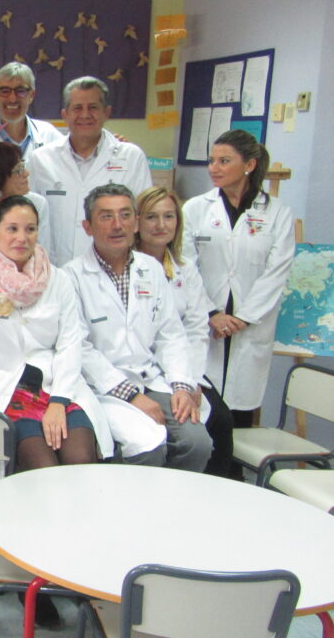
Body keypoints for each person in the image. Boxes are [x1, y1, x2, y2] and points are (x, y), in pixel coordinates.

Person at [0, 197, 107, 472]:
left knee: (81, 462)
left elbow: (70, 343)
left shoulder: (58, 279)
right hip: (5, 390)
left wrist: (59, 401)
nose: (21, 238)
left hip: (58, 387)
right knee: (42, 469)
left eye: (30, 229)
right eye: (12, 229)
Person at [64, 184, 211, 471]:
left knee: (197, 443)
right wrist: (132, 396)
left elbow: (171, 334)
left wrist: (181, 385)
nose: (117, 225)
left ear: (136, 222)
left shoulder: (151, 269)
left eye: (125, 215)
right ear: (87, 226)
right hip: (104, 387)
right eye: (106, 216)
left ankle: (171, 507)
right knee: (147, 448)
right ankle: (131, 509)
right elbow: (81, 348)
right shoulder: (71, 276)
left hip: (152, 380)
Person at [180, 130, 294, 430]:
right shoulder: (195, 208)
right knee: (206, 404)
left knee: (241, 410)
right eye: (212, 160)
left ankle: (235, 474)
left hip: (249, 322)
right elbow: (185, 266)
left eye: (224, 161)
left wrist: (242, 318)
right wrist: (212, 314)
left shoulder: (277, 214)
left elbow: (277, 272)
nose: (213, 168)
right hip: (207, 320)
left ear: (250, 165)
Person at [134, 186, 236, 477]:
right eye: (152, 217)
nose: (161, 224)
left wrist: (188, 380)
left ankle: (210, 492)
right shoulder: (125, 265)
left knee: (220, 419)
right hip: (141, 366)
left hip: (180, 366)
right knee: (161, 429)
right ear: (137, 222)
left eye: (169, 216)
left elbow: (195, 328)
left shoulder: (184, 268)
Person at [28, 76, 152, 266]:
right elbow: (30, 218)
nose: (85, 114)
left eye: (93, 107)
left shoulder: (131, 157)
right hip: (55, 271)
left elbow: (143, 220)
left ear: (106, 113)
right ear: (64, 114)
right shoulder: (41, 160)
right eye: (77, 108)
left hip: (113, 270)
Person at [0, 61, 64, 156]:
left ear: (31, 95)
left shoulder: (49, 136)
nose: (12, 99)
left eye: (20, 91)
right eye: (5, 91)